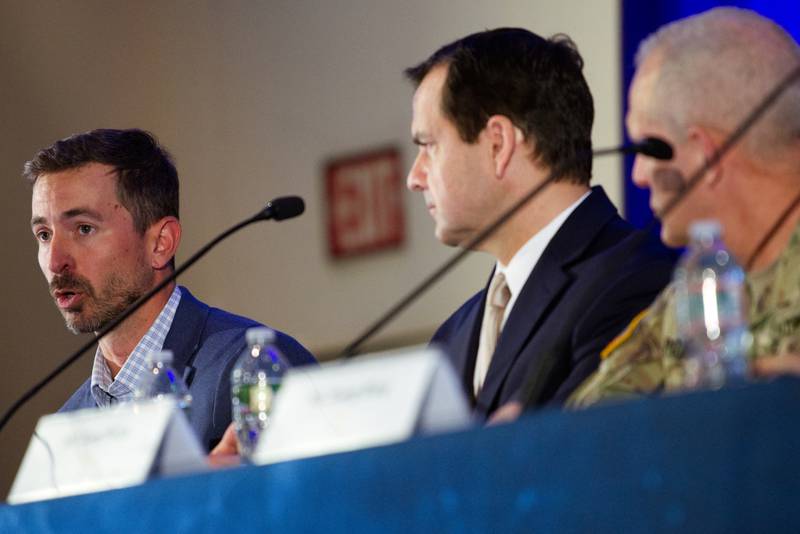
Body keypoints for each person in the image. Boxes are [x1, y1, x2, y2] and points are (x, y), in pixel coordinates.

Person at [404, 28, 675, 420]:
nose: (414, 177)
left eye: (428, 146)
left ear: (498, 144)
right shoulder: (452, 337)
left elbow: (592, 451)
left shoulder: (636, 280)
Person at [567, 7, 800, 408]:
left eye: (646, 148)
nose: (638, 175)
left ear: (706, 157)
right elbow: (590, 426)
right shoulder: (692, 289)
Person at [26, 128, 316, 450]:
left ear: (160, 243)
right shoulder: (66, 427)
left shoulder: (257, 368)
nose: (55, 261)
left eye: (83, 228)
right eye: (44, 234)